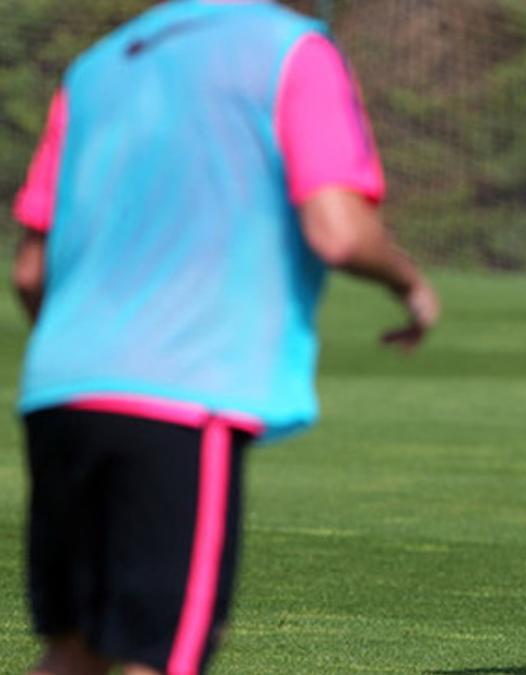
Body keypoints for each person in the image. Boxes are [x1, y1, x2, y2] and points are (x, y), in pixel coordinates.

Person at [10, 1, 438, 673]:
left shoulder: (96, 67)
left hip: (60, 389)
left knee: (72, 652)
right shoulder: (293, 51)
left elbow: (31, 270)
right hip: (181, 391)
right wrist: (410, 284)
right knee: (157, 655)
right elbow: (339, 230)